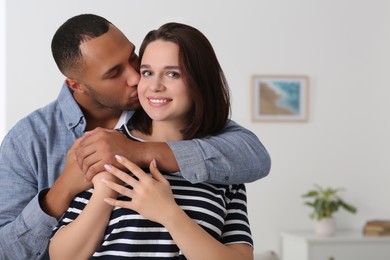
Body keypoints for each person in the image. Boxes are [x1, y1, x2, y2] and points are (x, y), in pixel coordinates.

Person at [0, 14, 270, 259]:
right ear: (76, 85)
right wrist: (65, 189)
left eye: (133, 59)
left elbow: (253, 157)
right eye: (116, 72)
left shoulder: (195, 132)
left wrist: (139, 153)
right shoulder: (31, 140)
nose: (137, 79)